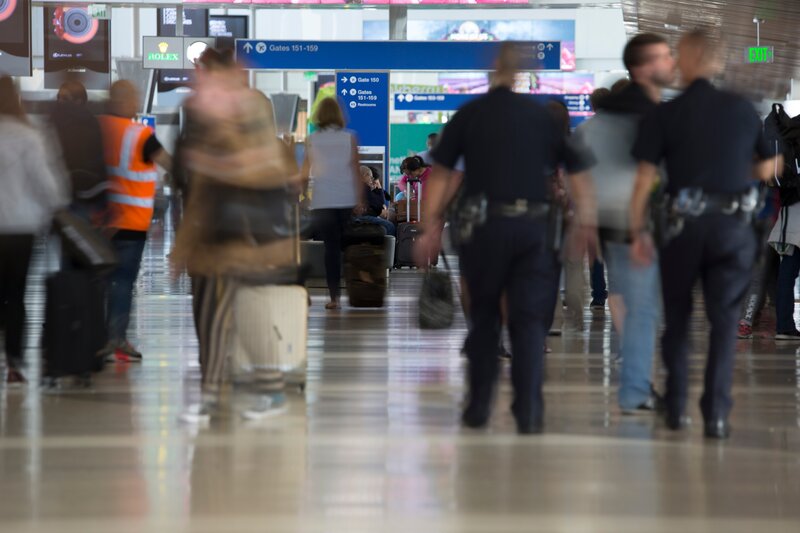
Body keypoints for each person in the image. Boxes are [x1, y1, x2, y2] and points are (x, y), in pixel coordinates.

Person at [416, 44, 596, 435]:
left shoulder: (470, 114)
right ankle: (528, 409)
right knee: (528, 319)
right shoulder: (541, 116)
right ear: (519, 75)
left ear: (492, 70)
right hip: (534, 229)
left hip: (483, 228)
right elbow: (577, 171)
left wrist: (429, 227)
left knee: (484, 316)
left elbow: (443, 176)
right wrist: (586, 223)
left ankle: (479, 406)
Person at [629, 29, 781, 439]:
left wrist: (637, 232)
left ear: (684, 60)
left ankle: (676, 408)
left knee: (677, 320)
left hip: (680, 227)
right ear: (718, 61)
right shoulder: (743, 110)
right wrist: (736, 171)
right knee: (724, 322)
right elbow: (771, 168)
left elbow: (643, 179)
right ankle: (715, 414)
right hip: (732, 228)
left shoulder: (665, 114)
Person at [172, 49, 300, 423]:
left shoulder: (250, 109)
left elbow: (271, 173)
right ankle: (221, 393)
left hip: (246, 234)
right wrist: (183, 245)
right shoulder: (201, 114)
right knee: (215, 315)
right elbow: (197, 187)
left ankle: (259, 390)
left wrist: (227, 155)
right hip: (215, 233)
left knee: (243, 314)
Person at [573, 33, 676, 414]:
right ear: (641, 67)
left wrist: (587, 217)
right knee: (645, 306)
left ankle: (635, 381)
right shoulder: (648, 115)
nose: (670, 63)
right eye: (663, 57)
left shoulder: (594, 125)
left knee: (633, 298)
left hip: (610, 222)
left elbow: (578, 170)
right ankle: (635, 390)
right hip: (640, 222)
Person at [97, 80, 171, 362]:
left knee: (99, 281)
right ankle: (115, 339)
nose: (137, 102)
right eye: (134, 97)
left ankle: (95, 338)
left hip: (99, 222)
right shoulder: (140, 134)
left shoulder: (97, 126)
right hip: (130, 224)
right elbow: (170, 164)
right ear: (123, 101)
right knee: (123, 283)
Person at [0, 76, 66, 385]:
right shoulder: (30, 136)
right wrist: (57, 206)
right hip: (21, 229)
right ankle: (14, 362)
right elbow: (48, 185)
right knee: (15, 295)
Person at [301, 97, 361, 310]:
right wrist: (360, 198)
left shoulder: (312, 139)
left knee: (331, 248)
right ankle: (358, 287)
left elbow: (305, 171)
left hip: (322, 201)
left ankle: (334, 297)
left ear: (319, 115)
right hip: (346, 199)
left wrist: (304, 195)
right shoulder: (349, 138)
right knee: (349, 245)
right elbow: (356, 170)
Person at [50, 80, 108, 225]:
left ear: (78, 101)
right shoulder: (94, 123)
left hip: (76, 192)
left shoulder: (58, 123)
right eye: (59, 97)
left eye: (65, 98)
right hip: (84, 192)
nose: (60, 102)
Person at [354, 165, 396, 236]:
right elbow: (379, 203)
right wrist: (379, 188)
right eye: (371, 177)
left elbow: (386, 197)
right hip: (362, 217)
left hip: (357, 216)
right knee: (390, 226)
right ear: (365, 175)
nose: (371, 180)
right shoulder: (364, 187)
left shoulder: (357, 186)